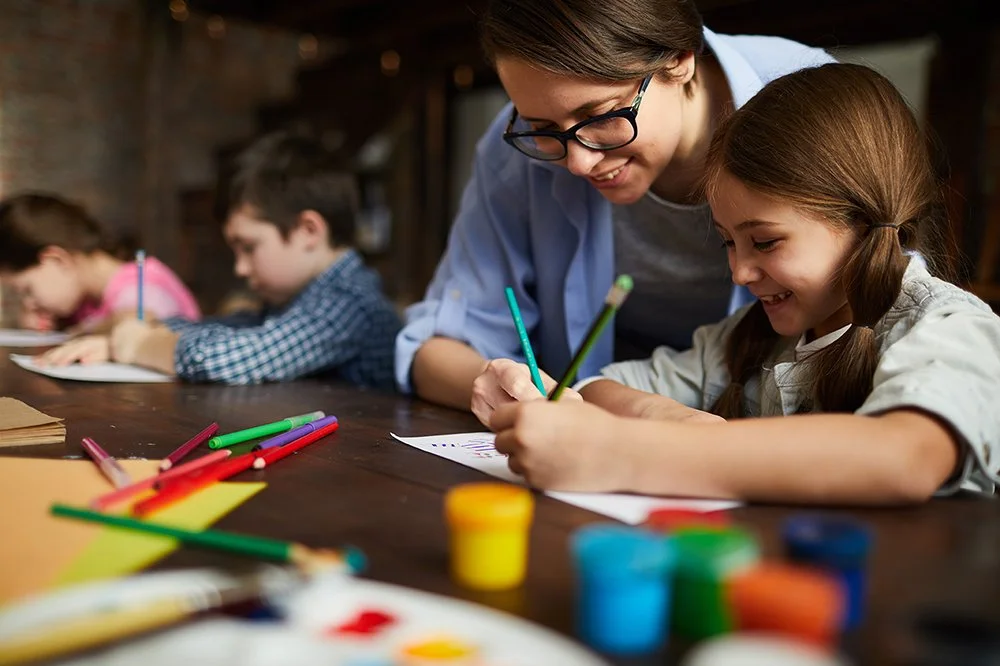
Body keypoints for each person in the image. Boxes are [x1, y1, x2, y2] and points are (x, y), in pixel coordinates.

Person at [485, 63, 1000, 505]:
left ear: (863, 224)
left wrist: (617, 454)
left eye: (766, 242)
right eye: (729, 242)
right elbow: (599, 387)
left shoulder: (950, 328)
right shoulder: (746, 338)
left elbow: (903, 458)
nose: (739, 273)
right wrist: (670, 419)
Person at [397, 0, 835, 413]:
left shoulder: (816, 106)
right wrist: (508, 388)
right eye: (543, 127)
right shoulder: (515, 148)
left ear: (680, 59)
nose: (577, 162)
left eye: (602, 115)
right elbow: (432, 350)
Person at [107, 131, 401, 388]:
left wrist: (139, 344)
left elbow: (229, 359)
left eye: (248, 247)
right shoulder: (303, 296)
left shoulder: (348, 304)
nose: (240, 268)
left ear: (309, 231)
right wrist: (149, 329)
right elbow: (232, 328)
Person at [0, 192, 201, 364]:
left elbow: (139, 321)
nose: (29, 303)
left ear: (57, 260)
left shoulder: (144, 283)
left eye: (27, 290)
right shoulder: (84, 300)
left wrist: (77, 331)